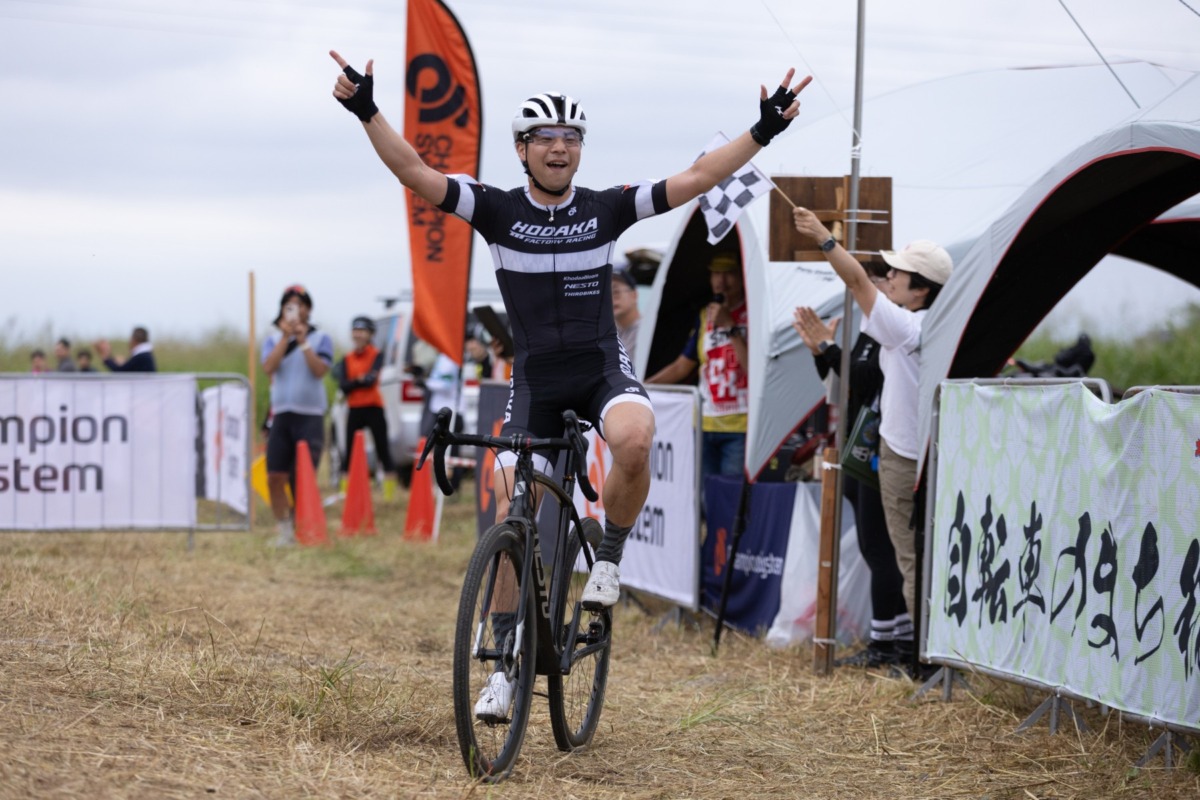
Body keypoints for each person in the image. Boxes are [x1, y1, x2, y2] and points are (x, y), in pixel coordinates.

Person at [331, 50, 809, 719]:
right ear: (522, 149)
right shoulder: (495, 210)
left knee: (636, 439)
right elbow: (414, 171)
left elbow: (700, 176)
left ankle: (607, 556)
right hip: (535, 382)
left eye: (571, 138)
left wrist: (763, 130)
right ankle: (503, 662)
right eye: (546, 138)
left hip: (599, 370)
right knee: (511, 506)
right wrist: (366, 110)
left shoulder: (607, 208)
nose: (560, 148)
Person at [793, 207, 952, 634]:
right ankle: (920, 645)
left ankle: (920, 651)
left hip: (903, 453)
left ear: (921, 290)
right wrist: (826, 350)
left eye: (899, 272)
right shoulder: (933, 324)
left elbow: (857, 281)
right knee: (917, 555)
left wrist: (825, 238)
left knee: (907, 558)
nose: (890, 277)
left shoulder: (906, 327)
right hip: (922, 450)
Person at [793, 300, 911, 668]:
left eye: (889, 276)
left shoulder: (902, 326)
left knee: (882, 551)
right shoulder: (870, 326)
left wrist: (828, 348)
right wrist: (821, 353)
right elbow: (847, 388)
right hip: (858, 447)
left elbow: (867, 379)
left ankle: (888, 645)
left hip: (883, 451)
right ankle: (894, 641)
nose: (884, 282)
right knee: (873, 549)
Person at [646, 253, 749, 482]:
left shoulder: (753, 313)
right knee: (702, 495)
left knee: (729, 494)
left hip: (740, 427)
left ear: (742, 277)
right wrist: (641, 387)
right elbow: (683, 366)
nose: (721, 281)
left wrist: (730, 326)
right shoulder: (704, 315)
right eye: (716, 274)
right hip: (704, 423)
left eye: (729, 273)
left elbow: (755, 372)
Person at [261, 284, 334, 547]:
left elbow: (319, 371)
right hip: (282, 415)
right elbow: (269, 367)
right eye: (289, 305)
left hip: (310, 416)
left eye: (300, 305)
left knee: (303, 477)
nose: (295, 310)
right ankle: (284, 531)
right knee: (275, 476)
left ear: (308, 309)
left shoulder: (321, 338)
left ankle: (302, 526)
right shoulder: (273, 339)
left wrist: (303, 342)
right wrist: (285, 338)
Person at [333, 315, 399, 501]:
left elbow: (371, 380)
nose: (358, 334)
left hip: (374, 407)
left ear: (370, 334)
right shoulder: (347, 358)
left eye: (362, 331)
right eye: (356, 331)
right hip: (354, 408)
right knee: (349, 452)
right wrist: (359, 380)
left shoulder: (376, 354)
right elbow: (343, 386)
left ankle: (389, 495)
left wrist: (355, 382)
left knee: (382, 450)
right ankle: (346, 493)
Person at [611, 265, 642, 368]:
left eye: (616, 292)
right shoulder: (609, 334)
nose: (611, 299)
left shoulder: (647, 331)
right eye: (606, 294)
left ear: (634, 295)